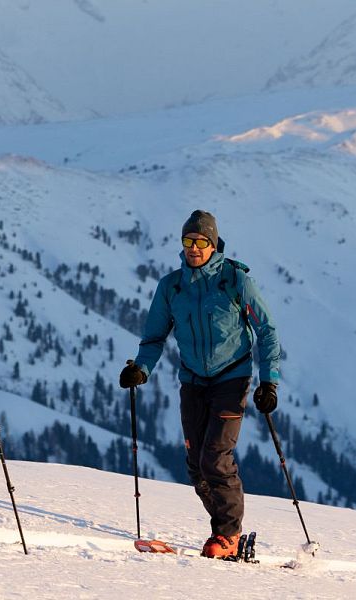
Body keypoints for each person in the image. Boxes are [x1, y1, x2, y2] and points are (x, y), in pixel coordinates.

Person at [118, 210, 285, 559]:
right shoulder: (172, 286)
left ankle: (229, 534)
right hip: (192, 380)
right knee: (196, 464)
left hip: (232, 377)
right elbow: (154, 337)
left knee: (216, 456)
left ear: (213, 244)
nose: (194, 248)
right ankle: (222, 531)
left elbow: (267, 330)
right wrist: (141, 369)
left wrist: (269, 382)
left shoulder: (235, 280)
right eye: (188, 241)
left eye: (201, 242)